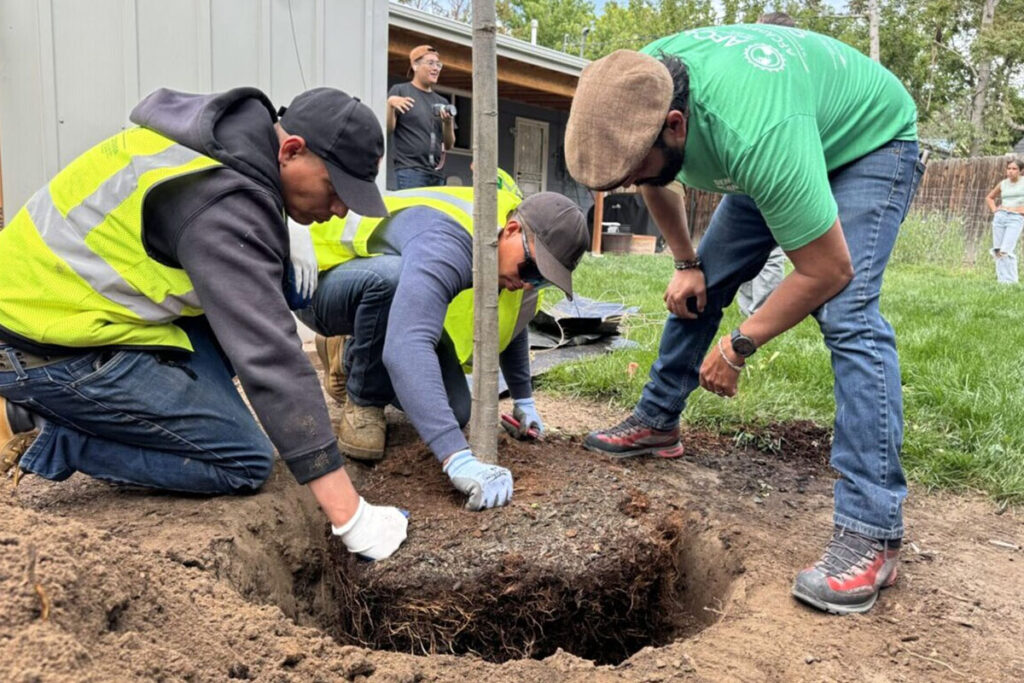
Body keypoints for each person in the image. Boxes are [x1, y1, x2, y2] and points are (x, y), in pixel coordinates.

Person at [565, 24, 924, 614]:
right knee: (704, 279)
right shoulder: (637, 83)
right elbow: (655, 176)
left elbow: (827, 270)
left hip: (866, 142)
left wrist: (738, 345)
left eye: (635, 168)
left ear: (676, 125)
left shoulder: (757, 137)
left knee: (848, 314)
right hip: (784, 131)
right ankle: (657, 421)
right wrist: (686, 263)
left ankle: (872, 531)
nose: (629, 184)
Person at [0, 86, 408, 562]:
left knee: (246, 324)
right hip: (44, 345)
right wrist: (352, 518)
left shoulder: (224, 145)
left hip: (77, 317)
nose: (340, 209)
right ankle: (62, 436)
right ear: (291, 150)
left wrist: (286, 227)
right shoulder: (221, 201)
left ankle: (56, 408)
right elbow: (270, 358)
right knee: (242, 459)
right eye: (335, 190)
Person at [292, 186, 589, 510]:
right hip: (317, 275)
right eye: (533, 270)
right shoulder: (450, 243)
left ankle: (361, 347)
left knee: (457, 408)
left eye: (544, 279)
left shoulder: (510, 252)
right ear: (512, 230)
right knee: (390, 283)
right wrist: (456, 458)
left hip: (381, 286)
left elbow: (512, 320)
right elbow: (405, 348)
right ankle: (361, 387)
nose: (530, 283)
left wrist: (524, 400)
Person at [735, 11, 794, 316]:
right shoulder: (750, 72)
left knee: (771, 250)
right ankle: (750, 312)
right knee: (743, 249)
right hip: (747, 171)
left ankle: (763, 315)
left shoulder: (786, 73)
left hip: (778, 170)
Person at [387, 45, 456, 189]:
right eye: (430, 63)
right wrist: (390, 105)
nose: (436, 68)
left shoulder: (442, 102)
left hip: (436, 173)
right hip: (410, 171)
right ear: (415, 66)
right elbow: (388, 128)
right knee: (413, 211)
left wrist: (448, 123)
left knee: (432, 212)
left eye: (438, 65)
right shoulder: (400, 91)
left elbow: (449, 144)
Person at [985, 157, 1024, 284]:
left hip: (1015, 218)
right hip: (1001, 217)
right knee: (997, 250)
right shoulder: (1003, 183)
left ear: (1021, 171)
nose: (1011, 171)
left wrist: (1020, 210)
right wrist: (995, 210)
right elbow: (989, 198)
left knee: (1006, 250)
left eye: (1014, 169)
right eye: (1009, 169)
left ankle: (1012, 282)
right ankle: (1002, 282)